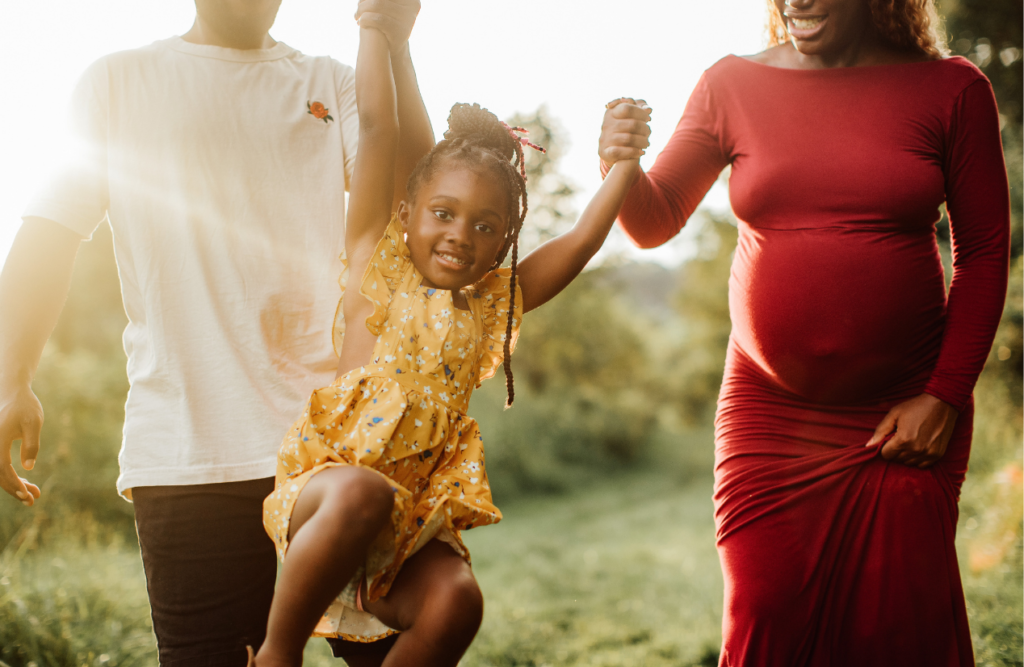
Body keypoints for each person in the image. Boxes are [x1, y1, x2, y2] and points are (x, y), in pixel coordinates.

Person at [0, 0, 435, 663]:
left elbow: (420, 190)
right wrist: (11, 379)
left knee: (397, 647)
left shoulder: (331, 82)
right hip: (186, 455)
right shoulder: (117, 83)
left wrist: (397, 49)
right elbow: (48, 234)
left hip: (337, 447)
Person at [599, 0, 1009, 664]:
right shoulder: (729, 85)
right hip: (770, 414)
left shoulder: (953, 89)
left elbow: (985, 250)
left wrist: (945, 395)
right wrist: (619, 165)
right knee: (765, 618)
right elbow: (654, 220)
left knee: (899, 634)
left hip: (903, 413)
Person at [250, 21, 651, 667]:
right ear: (407, 212)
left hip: (405, 527)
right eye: (443, 212)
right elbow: (378, 128)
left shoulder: (495, 300)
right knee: (364, 492)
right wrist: (375, 28)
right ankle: (275, 654)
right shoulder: (376, 264)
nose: (460, 233)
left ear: (503, 243)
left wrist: (624, 169)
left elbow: (576, 244)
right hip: (327, 498)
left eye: (485, 224)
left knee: (458, 601)